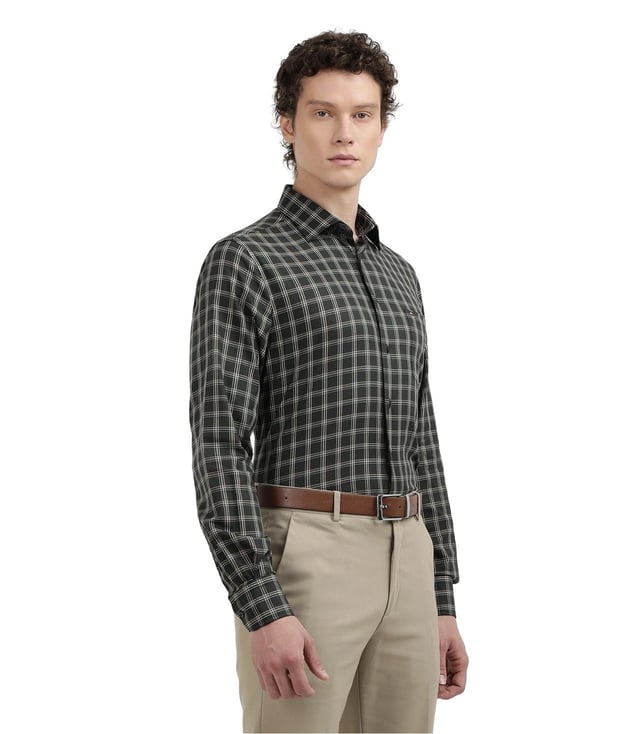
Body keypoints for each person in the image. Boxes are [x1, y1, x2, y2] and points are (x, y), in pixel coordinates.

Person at [189, 30, 468, 733]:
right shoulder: (246, 260)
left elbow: (422, 438)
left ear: (380, 128)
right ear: (287, 124)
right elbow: (220, 442)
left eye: (362, 114)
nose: (345, 132)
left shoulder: (399, 274)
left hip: (408, 554)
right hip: (307, 552)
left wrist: (440, 597)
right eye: (322, 113)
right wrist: (261, 606)